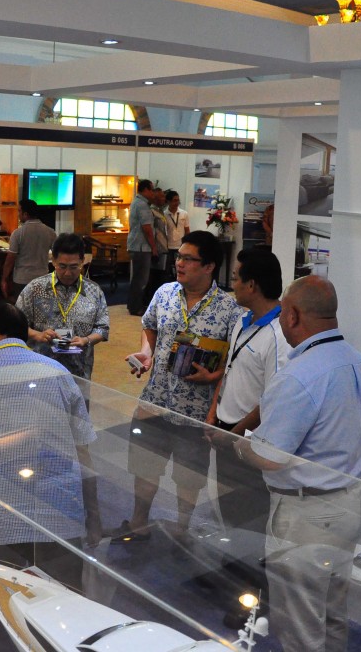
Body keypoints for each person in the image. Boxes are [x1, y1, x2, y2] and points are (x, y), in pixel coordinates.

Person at [233, 275, 361, 652]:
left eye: (283, 312)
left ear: (293, 315)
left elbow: (269, 457)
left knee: (300, 624)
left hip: (308, 515)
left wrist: (238, 445)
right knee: (332, 610)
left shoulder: (298, 376)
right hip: (352, 501)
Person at [0, 302, 101, 589]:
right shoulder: (59, 373)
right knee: (65, 598)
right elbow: (83, 454)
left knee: (6, 599)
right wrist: (94, 516)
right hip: (59, 513)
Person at [120, 230, 241, 540]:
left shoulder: (229, 310)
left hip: (195, 410)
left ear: (209, 266)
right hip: (155, 399)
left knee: (189, 476)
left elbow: (234, 363)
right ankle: (138, 522)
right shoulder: (164, 293)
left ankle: (181, 529)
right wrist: (146, 353)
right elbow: (149, 326)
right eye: (179, 257)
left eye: (188, 259)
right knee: (145, 465)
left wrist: (214, 376)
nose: (179, 263)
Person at [205, 249, 290, 535]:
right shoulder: (242, 321)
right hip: (225, 429)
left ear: (251, 284)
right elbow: (229, 370)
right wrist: (213, 414)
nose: (232, 286)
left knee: (248, 513)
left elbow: (273, 399)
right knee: (225, 505)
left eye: (235, 279)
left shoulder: (279, 335)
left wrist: (235, 433)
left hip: (248, 438)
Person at [15, 233, 109, 380]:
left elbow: (102, 329)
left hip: (79, 370)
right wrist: (38, 335)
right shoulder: (35, 288)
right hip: (41, 368)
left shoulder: (94, 291)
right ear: (53, 261)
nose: (67, 273)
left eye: (74, 267)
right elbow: (16, 325)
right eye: (62, 266)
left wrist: (86, 340)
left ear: (83, 261)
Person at [1, 199, 56, 303]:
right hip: (42, 278)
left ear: (25, 214)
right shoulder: (50, 232)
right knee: (40, 309)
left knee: (22, 309)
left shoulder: (18, 233)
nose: (18, 214)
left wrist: (4, 279)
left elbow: (10, 260)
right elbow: (57, 255)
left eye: (19, 211)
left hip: (22, 279)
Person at [126, 179, 158, 315]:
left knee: (137, 278)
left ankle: (133, 305)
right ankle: (136, 307)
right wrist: (154, 247)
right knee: (141, 280)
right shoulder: (142, 205)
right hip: (141, 247)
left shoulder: (137, 202)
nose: (153, 193)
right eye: (152, 190)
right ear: (145, 190)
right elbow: (147, 229)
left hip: (137, 245)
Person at [145, 188, 169, 305]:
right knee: (153, 277)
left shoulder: (161, 211)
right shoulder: (151, 211)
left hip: (163, 247)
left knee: (161, 277)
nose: (164, 199)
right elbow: (150, 231)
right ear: (155, 198)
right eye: (162, 197)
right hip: (156, 248)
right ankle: (150, 301)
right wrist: (154, 248)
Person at [165, 189, 189, 275]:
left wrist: (187, 244)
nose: (177, 202)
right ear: (168, 201)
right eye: (174, 200)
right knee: (167, 270)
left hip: (180, 246)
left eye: (178, 200)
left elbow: (187, 230)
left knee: (180, 269)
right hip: (168, 247)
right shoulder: (164, 214)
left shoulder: (184, 213)